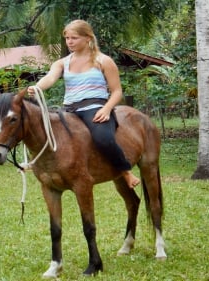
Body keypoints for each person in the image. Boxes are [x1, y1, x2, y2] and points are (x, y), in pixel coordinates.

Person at [27, 19, 140, 189]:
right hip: (68, 110)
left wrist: (107, 109)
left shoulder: (104, 61)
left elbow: (117, 91)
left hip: (95, 108)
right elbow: (50, 77)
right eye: (67, 38)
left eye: (74, 38)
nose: (69, 42)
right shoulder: (62, 62)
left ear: (88, 38)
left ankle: (126, 171)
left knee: (104, 139)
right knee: (43, 132)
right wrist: (37, 87)